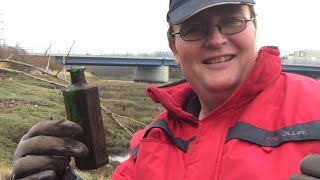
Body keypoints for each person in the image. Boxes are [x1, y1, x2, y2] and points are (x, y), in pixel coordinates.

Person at [11, 0, 320, 179]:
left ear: (254, 29)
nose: (215, 39)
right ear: (174, 47)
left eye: (230, 21)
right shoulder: (149, 142)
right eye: (194, 29)